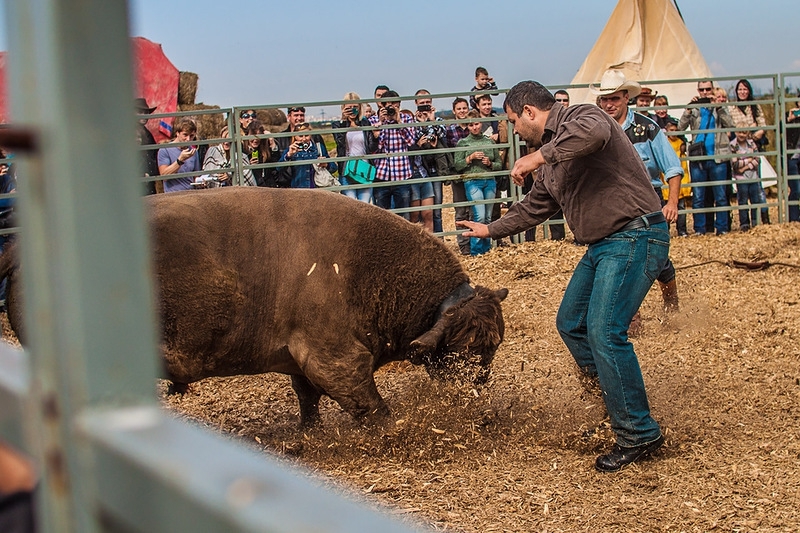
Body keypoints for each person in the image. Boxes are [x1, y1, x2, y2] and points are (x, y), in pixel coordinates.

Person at [458, 80, 668, 473]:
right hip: (604, 245)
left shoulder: (581, 115)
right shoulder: (552, 159)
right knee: (571, 323)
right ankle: (616, 408)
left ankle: (639, 432)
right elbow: (535, 207)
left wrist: (537, 158)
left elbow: (597, 132)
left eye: (513, 122)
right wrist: (489, 230)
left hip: (635, 233)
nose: (514, 131)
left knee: (605, 331)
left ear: (529, 112)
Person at [592, 69, 682, 316]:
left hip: (649, 200)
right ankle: (629, 315)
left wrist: (672, 202)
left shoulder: (647, 128)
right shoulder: (595, 131)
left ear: (626, 98)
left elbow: (672, 167)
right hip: (612, 203)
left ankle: (671, 301)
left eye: (614, 98)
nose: (609, 104)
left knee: (656, 258)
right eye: (605, 99)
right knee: (618, 258)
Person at [678, 80, 734, 235]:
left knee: (721, 196)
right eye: (701, 90)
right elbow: (680, 127)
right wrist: (688, 109)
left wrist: (719, 108)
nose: (705, 92)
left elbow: (731, 125)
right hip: (698, 157)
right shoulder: (694, 107)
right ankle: (699, 230)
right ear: (698, 90)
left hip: (718, 156)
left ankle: (722, 228)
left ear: (712, 89)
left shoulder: (720, 108)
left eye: (708, 89)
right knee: (698, 196)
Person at [453, 110, 501, 255]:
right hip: (472, 181)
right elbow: (457, 165)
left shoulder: (489, 142)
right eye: (471, 125)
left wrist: (490, 163)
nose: (475, 127)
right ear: (467, 126)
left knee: (488, 216)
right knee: (479, 216)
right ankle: (476, 251)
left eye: (477, 123)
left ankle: (486, 250)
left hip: (489, 180)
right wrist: (470, 158)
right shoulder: (463, 143)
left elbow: (499, 163)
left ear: (481, 123)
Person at [729, 79, 770, 224]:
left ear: (749, 91)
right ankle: (745, 221)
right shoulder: (732, 107)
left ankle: (763, 217)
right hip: (737, 148)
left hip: (752, 147)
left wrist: (749, 136)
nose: (742, 92)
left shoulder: (755, 106)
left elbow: (762, 127)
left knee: (757, 185)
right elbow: (730, 128)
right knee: (742, 188)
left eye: (745, 89)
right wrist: (745, 131)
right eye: (740, 89)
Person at [371, 90, 415, 219]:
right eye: (387, 105)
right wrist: (382, 123)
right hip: (381, 175)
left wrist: (398, 122)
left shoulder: (407, 119)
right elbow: (376, 147)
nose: (391, 108)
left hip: (402, 174)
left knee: (403, 217)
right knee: (381, 217)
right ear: (381, 106)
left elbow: (411, 142)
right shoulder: (374, 120)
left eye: (394, 105)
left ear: (399, 105)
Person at [410, 89, 447, 232]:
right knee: (418, 213)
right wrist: (422, 125)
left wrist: (431, 120)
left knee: (435, 211)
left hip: (434, 169)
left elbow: (442, 133)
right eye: (422, 103)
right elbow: (412, 140)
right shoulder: (411, 122)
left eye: (427, 102)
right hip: (420, 170)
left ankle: (439, 242)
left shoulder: (437, 120)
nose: (425, 106)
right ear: (416, 103)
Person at [332, 92, 378, 203]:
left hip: (364, 169)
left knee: (365, 205)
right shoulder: (337, 124)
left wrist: (376, 137)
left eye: (355, 107)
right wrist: (343, 122)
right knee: (350, 206)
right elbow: (340, 143)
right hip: (347, 170)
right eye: (349, 108)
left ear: (360, 107)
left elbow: (371, 148)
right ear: (343, 108)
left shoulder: (365, 123)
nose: (352, 110)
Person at [446, 97, 473, 255]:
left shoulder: (473, 127)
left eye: (464, 108)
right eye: (459, 109)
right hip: (458, 173)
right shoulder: (450, 130)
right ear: (454, 111)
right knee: (461, 209)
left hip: (473, 173)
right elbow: (449, 153)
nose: (462, 111)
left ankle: (474, 241)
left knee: (473, 208)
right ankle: (463, 245)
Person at [278, 122, 337, 189]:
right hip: (299, 190)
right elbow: (279, 169)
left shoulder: (318, 148)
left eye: (306, 135)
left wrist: (326, 164)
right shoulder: (291, 149)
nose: (304, 139)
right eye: (300, 136)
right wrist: (288, 155)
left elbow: (334, 168)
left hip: (318, 189)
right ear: (295, 136)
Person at [730, 131, 767, 231]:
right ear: (736, 133)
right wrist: (749, 160)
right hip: (741, 179)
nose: (742, 135)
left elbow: (757, 159)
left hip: (753, 177)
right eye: (740, 133)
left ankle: (755, 221)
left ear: (748, 134)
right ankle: (744, 223)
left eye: (744, 133)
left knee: (755, 200)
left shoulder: (751, 143)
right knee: (743, 201)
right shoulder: (733, 145)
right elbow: (735, 164)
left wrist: (745, 167)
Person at [157, 117, 201, 193]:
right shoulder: (165, 149)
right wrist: (180, 161)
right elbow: (164, 176)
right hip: (173, 196)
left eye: (191, 136)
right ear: (177, 133)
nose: (188, 139)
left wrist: (201, 182)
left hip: (191, 194)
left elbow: (196, 176)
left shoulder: (193, 151)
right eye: (185, 135)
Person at [664, 119, 692, 237]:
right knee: (665, 210)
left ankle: (682, 230)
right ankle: (666, 231)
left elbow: (683, 166)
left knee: (680, 209)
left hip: (678, 183)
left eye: (676, 130)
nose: (674, 133)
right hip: (665, 183)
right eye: (671, 130)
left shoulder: (681, 144)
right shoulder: (664, 143)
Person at [243, 120, 280, 187]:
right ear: (247, 135)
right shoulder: (243, 151)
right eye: (253, 136)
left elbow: (276, 166)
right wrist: (248, 165)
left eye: (259, 136)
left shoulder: (265, 148)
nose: (256, 140)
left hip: (268, 187)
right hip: (251, 187)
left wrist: (272, 142)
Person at [134, 97, 159, 194]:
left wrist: (151, 172)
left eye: (146, 113)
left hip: (147, 181)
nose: (144, 116)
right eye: (140, 112)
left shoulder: (148, 134)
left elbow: (152, 155)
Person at [785, 90, 800, 222]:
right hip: (793, 157)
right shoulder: (791, 117)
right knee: (796, 188)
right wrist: (789, 120)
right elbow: (778, 128)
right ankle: (794, 220)